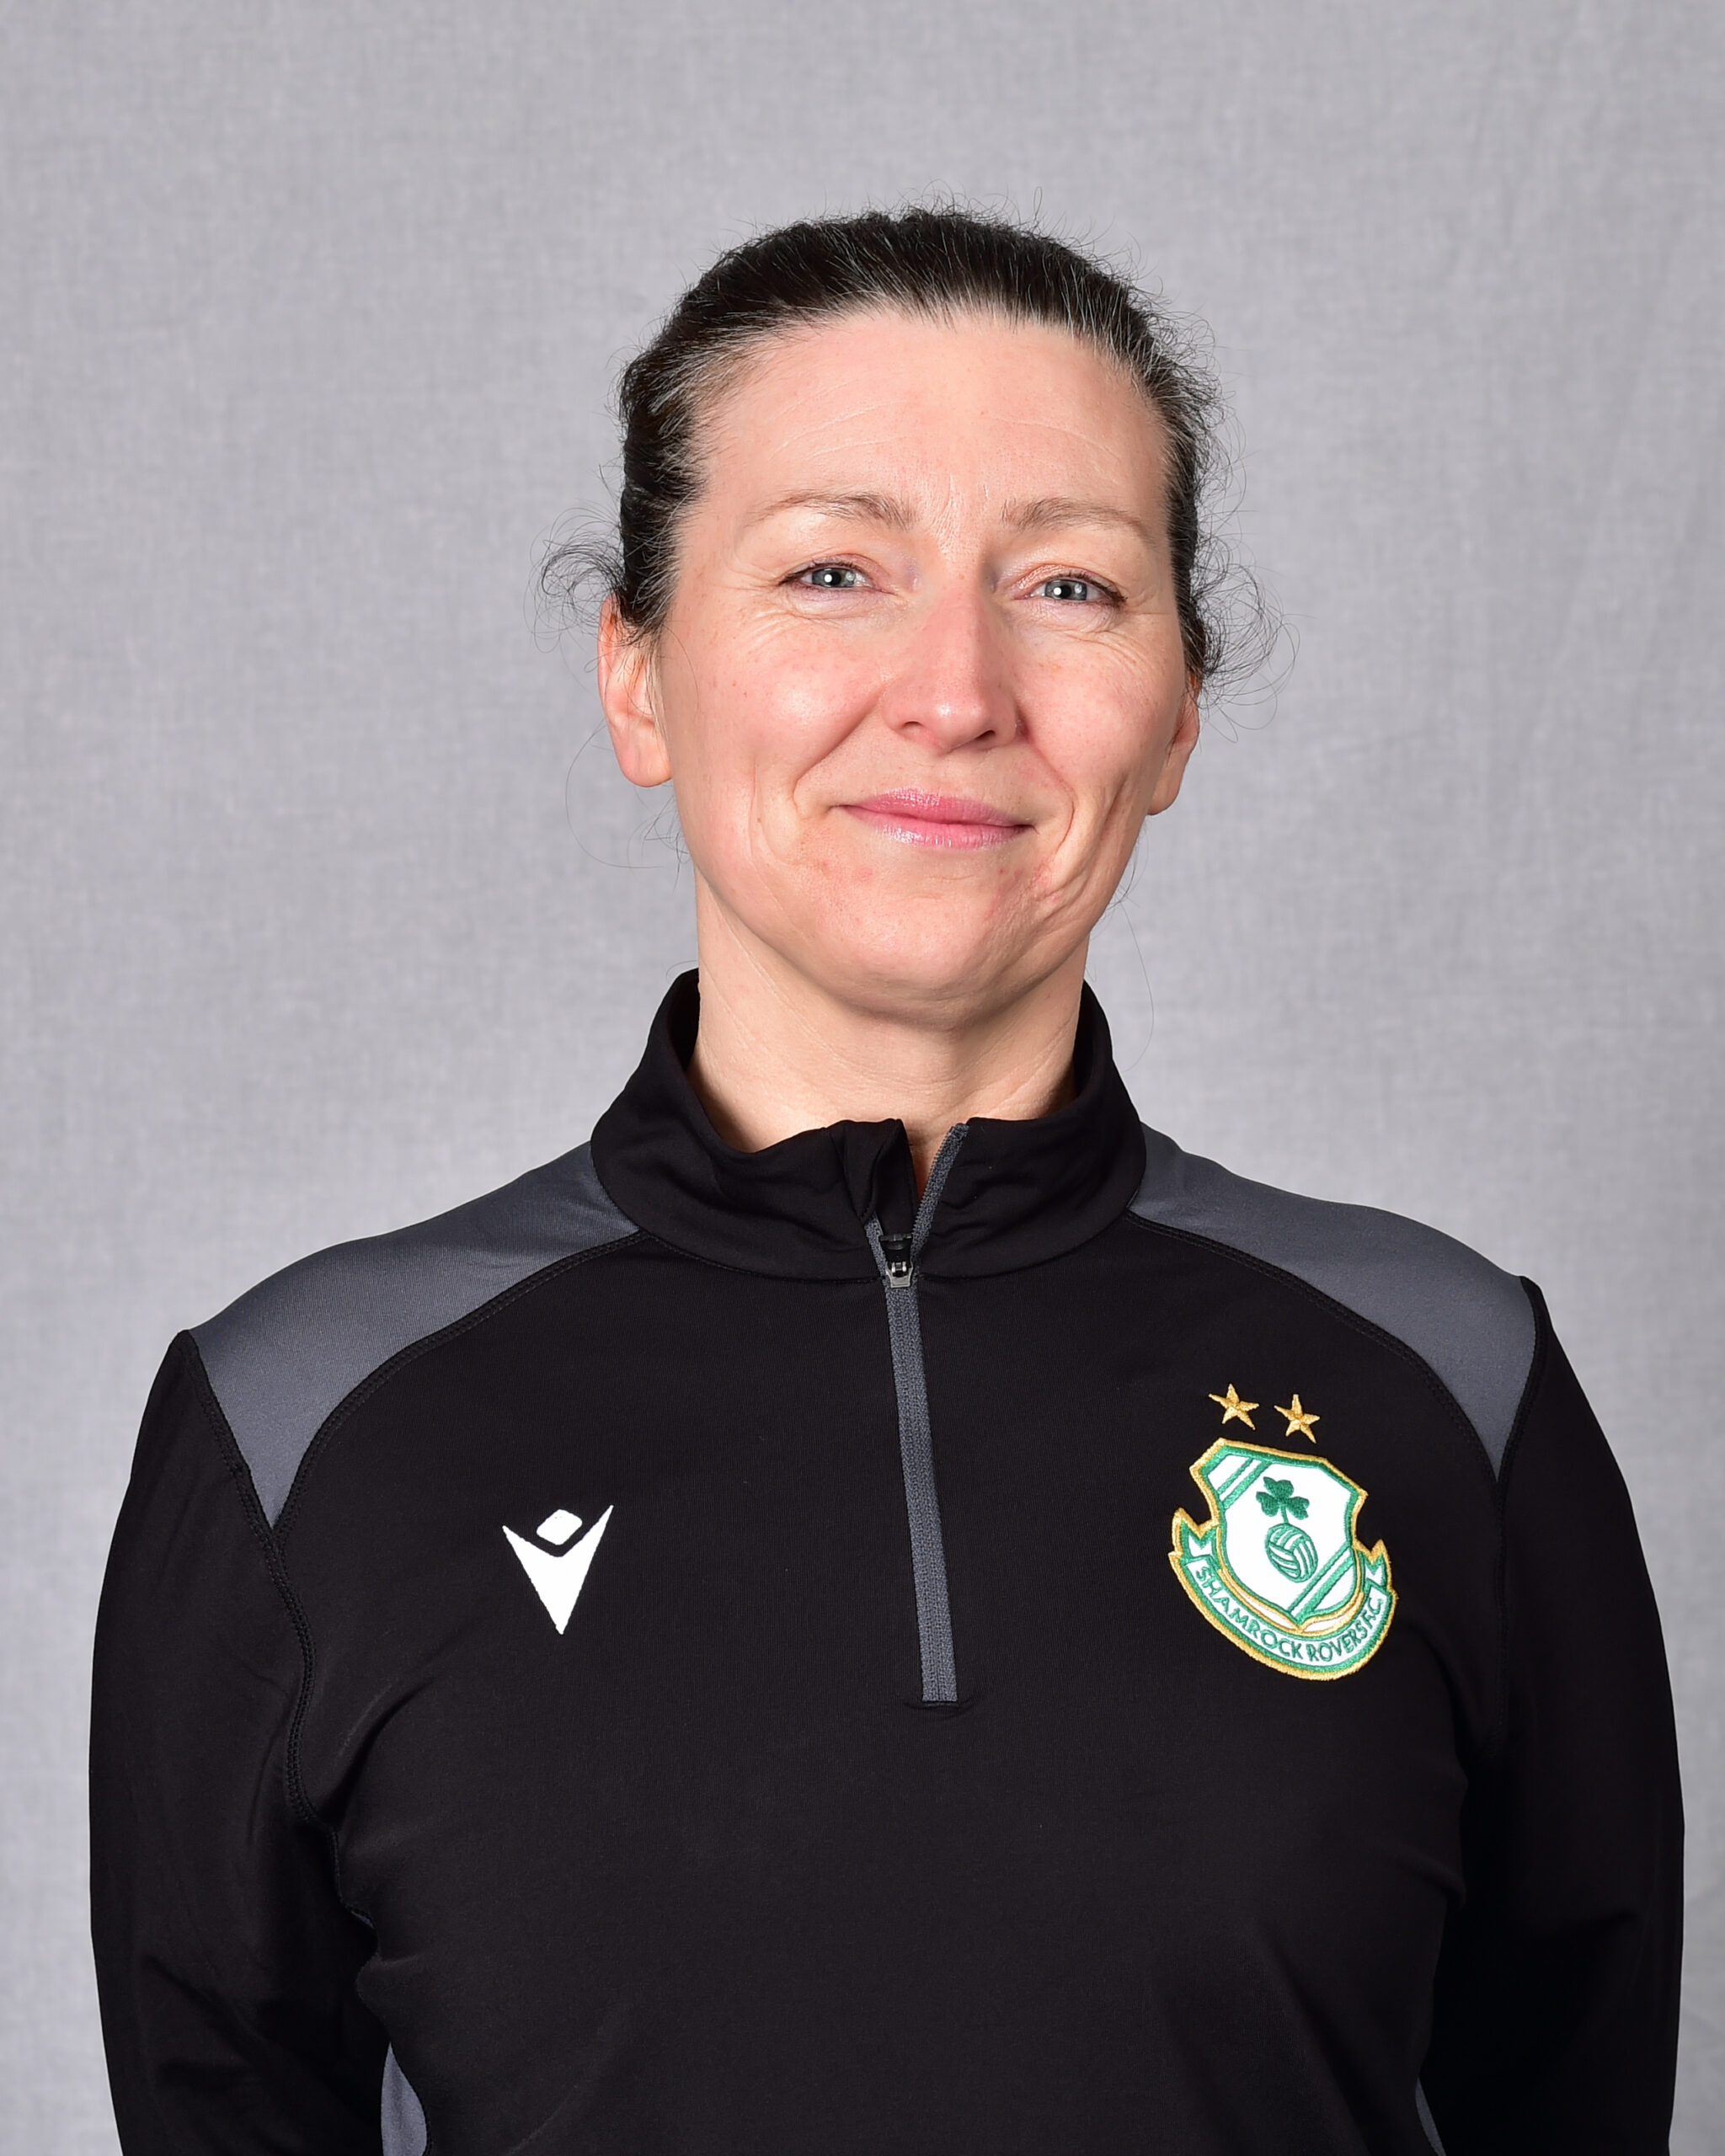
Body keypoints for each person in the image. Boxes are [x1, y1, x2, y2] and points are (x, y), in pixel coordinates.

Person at [89, 206, 1681, 2155]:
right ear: (639, 677)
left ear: (1177, 710)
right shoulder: (300, 1424)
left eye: (1072, 586)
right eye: (834, 568)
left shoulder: (1456, 1385)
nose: (955, 687)